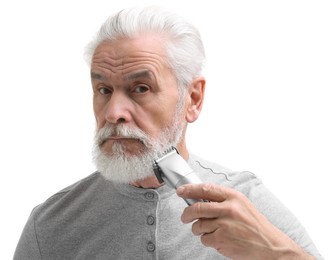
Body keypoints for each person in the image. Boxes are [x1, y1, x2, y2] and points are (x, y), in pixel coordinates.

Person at [14, 6, 323, 260]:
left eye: (141, 88)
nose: (113, 113)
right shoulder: (51, 225)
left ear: (193, 99)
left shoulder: (247, 202)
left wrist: (274, 252)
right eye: (104, 89)